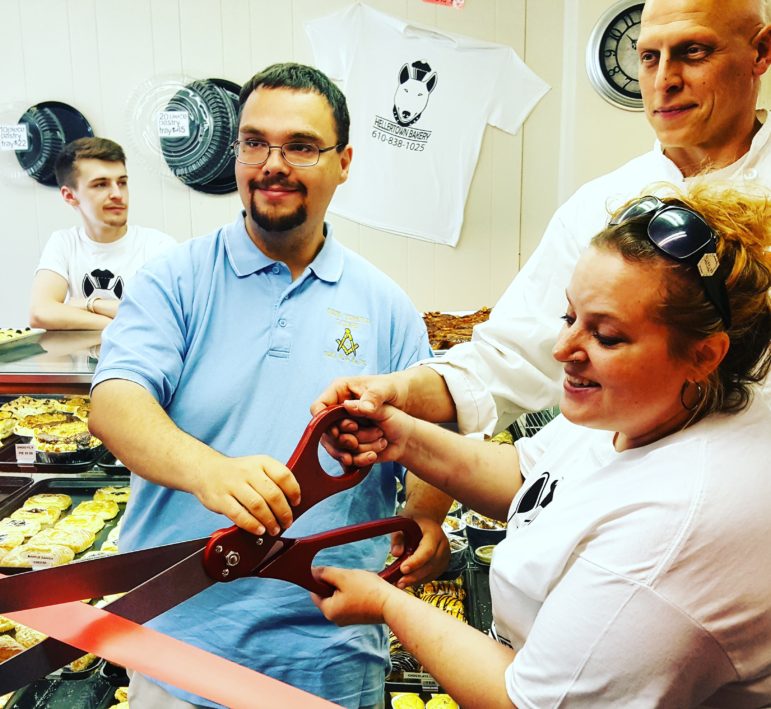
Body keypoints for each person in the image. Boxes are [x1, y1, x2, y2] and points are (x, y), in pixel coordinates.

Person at [313, 183, 771, 708]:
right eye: (569, 317)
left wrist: (386, 604)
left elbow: (522, 702)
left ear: (705, 354)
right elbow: (529, 478)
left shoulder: (675, 531)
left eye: (607, 337)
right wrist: (402, 435)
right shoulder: (648, 406)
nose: (562, 349)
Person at [88, 63, 451, 709]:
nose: (272, 163)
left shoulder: (386, 304)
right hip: (176, 647)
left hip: (332, 651)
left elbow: (429, 430)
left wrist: (423, 510)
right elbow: (116, 404)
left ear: (343, 162)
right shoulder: (173, 280)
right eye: (254, 142)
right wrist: (209, 472)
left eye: (300, 146)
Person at [312, 0, 771, 436]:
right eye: (649, 57)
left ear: (761, 52)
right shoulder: (599, 208)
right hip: (620, 488)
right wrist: (398, 391)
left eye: (694, 51)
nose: (665, 79)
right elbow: (513, 356)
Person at [29, 137, 175, 331]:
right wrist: (118, 324)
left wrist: (90, 304)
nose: (117, 194)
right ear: (70, 196)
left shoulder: (158, 246)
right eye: (100, 184)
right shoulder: (64, 242)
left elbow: (163, 316)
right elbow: (41, 312)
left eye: (122, 182)